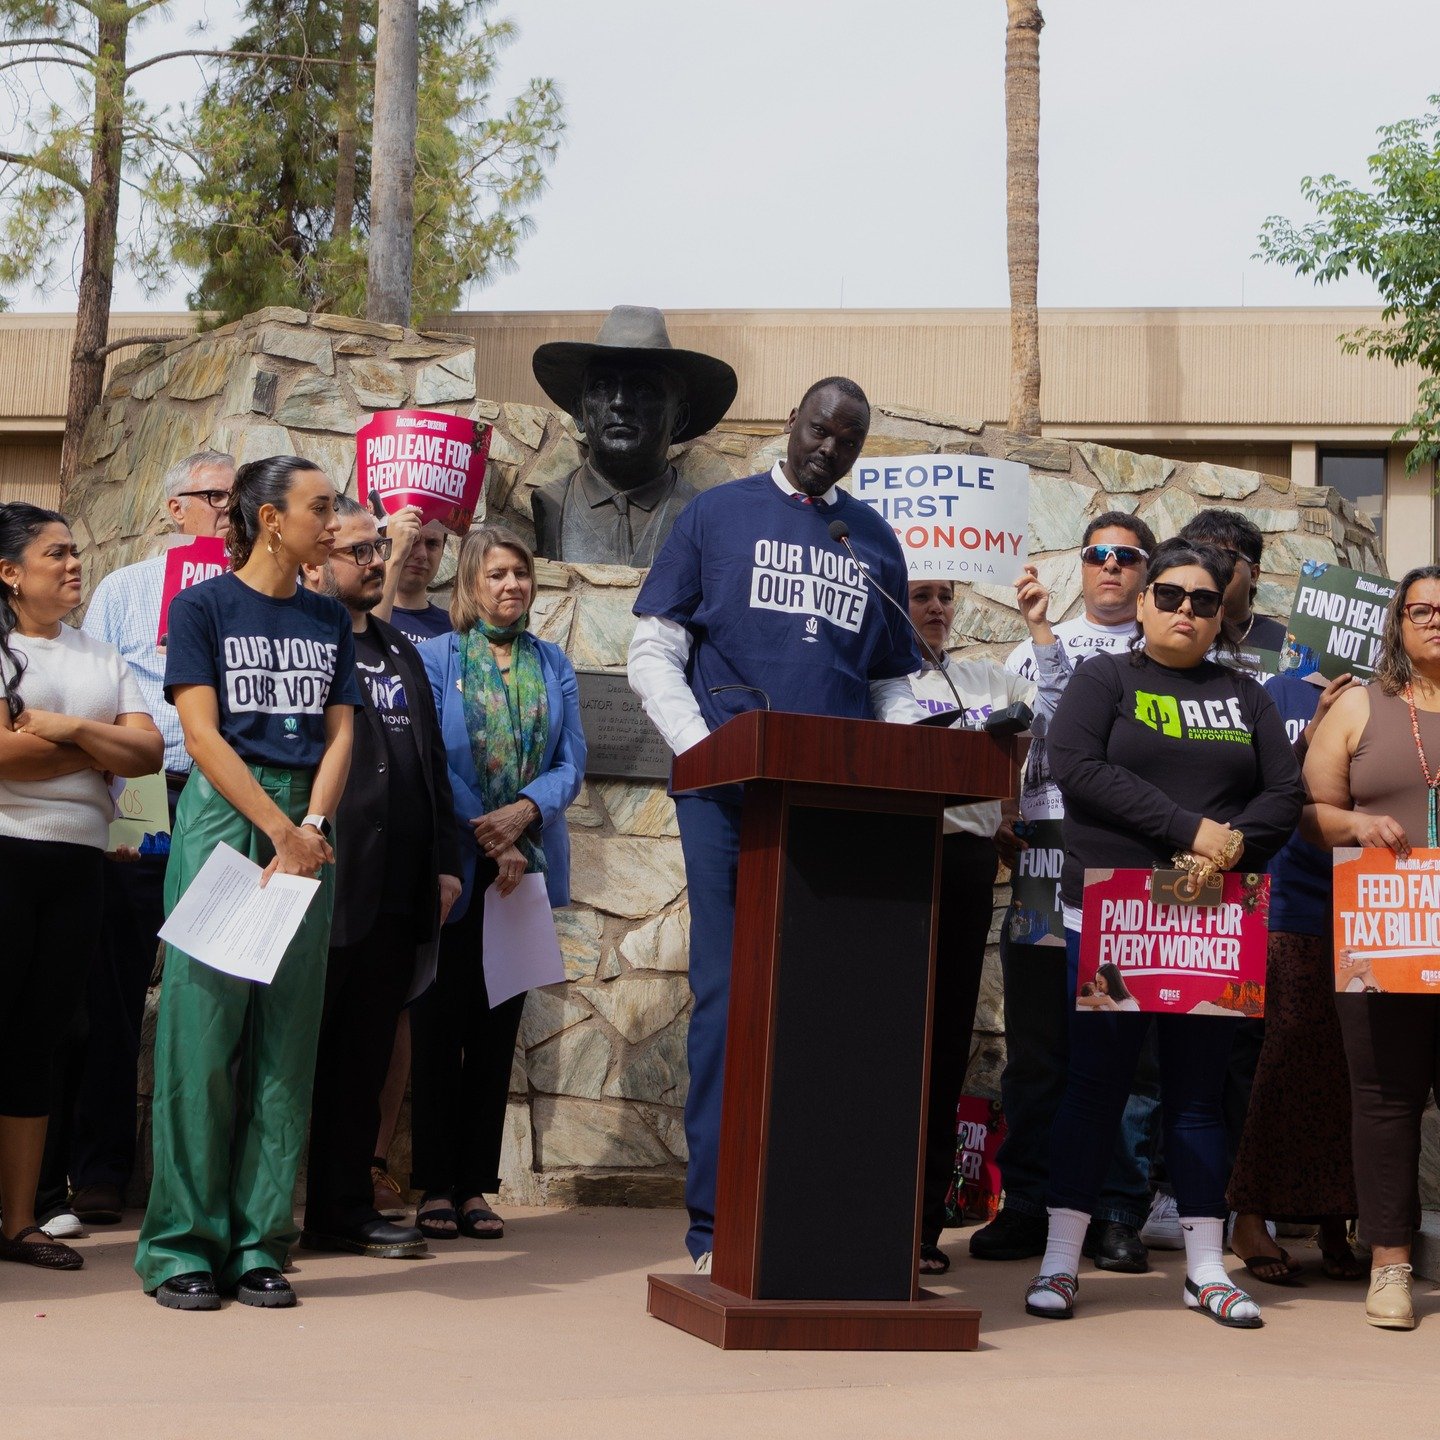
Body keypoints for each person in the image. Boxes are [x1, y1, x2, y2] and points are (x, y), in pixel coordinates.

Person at [628, 376, 925, 1273]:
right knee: (730, 996)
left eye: (848, 441)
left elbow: (889, 682)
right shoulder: (716, 517)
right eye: (818, 429)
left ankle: (812, 1208)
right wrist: (702, 748)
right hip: (728, 803)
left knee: (826, 1004)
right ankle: (716, 1224)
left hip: (836, 803)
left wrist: (904, 754)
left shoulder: (870, 540)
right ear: (790, 422)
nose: (828, 448)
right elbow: (653, 648)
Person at [1023, 538, 1303, 1327]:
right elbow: (1077, 765)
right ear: (1143, 602)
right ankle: (1060, 1261)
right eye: (1171, 596)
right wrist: (1191, 829)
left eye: (1204, 601)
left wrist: (1230, 847)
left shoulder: (1245, 696)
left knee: (1197, 1096)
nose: (1186, 610)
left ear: (1222, 615)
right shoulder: (1104, 679)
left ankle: (1206, 1268)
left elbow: (1283, 795)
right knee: (1095, 1086)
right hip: (1115, 914)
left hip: (1212, 919)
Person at [133, 456, 359, 1311]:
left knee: (285, 1041)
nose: (332, 526)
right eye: (319, 509)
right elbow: (200, 733)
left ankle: (261, 1241)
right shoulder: (202, 608)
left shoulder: (327, 618)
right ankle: (181, 1246)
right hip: (231, 820)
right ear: (270, 518)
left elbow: (341, 734)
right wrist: (276, 829)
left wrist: (315, 829)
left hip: (308, 826)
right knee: (202, 1036)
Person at [45, 451, 235, 1235]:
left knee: (216, 987)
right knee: (112, 993)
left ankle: (211, 1181)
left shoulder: (247, 593)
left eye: (234, 496)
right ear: (172, 508)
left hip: (223, 798)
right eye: (210, 496)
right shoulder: (123, 592)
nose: (225, 509)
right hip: (142, 798)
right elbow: (95, 691)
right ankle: (98, 1171)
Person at [970, 511, 1162, 1273]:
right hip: (1047, 862)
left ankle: (1118, 1210)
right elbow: (1013, 742)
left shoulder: (1162, 654)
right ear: (1080, 565)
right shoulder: (1033, 643)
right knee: (1041, 1045)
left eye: (1125, 556)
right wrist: (1000, 818)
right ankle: (1028, 1203)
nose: (1110, 567)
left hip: (1129, 871)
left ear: (1147, 571)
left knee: (1129, 1051)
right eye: (1096, 554)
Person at [298, 496, 462, 1259]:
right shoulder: (309, 643)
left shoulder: (402, 653)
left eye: (376, 552)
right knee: (300, 1058)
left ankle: (341, 1209)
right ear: (316, 562)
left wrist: (445, 864)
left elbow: (431, 768)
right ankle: (265, 1212)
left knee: (364, 1060)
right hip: (327, 880)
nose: (374, 563)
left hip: (398, 892)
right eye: (360, 551)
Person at [0, 503, 163, 1271]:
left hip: (80, 866)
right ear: (9, 573)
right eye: (55, 553)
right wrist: (98, 752)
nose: (73, 564)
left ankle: (19, 1219)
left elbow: (148, 752)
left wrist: (61, 731)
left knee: (43, 1037)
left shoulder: (101, 655)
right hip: (5, 855)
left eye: (76, 550)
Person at [411, 524, 584, 1243]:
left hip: (524, 869)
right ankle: (433, 1187)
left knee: (494, 1034)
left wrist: (522, 816)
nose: (510, 585)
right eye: (496, 574)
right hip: (453, 864)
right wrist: (488, 827)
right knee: (437, 1028)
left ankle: (477, 1186)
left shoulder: (553, 663)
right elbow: (425, 751)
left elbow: (572, 761)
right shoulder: (437, 656)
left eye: (520, 574)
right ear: (470, 584)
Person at [1301, 565, 1440, 1330]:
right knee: (1385, 1101)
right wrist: (1356, 827)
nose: (1434, 621)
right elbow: (1311, 811)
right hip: (1385, 930)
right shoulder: (1359, 705)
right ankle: (1390, 1264)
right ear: (1397, 623)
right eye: (1419, 609)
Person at [907, 578, 1035, 1274]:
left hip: (962, 860)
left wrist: (1009, 814)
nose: (935, 608)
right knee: (886, 1044)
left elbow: (1037, 729)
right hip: (891, 858)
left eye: (945, 596)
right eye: (920, 594)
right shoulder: (878, 678)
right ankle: (867, 1211)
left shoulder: (989, 678)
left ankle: (923, 1227)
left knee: (944, 1043)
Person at [1226, 670, 1363, 1286]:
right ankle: (1249, 1216)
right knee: (1283, 1057)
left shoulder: (1398, 699)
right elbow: (1254, 789)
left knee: (1353, 1067)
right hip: (1294, 901)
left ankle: (1339, 1218)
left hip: (1372, 903)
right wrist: (1312, 731)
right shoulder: (1274, 692)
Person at [367, 501, 453, 1213]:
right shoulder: (370, 620)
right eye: (404, 543)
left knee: (403, 1011)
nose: (417, 554)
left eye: (429, 542)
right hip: (363, 836)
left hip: (426, 835)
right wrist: (386, 562)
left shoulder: (452, 629)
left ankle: (375, 1158)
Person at [531, 305, 738, 565]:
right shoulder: (550, 502)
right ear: (579, 413)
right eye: (602, 386)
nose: (619, 402)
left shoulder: (701, 513)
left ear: (679, 419)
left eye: (642, 387)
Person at [1178, 509, 1288, 651]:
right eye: (1199, 554)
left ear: (1253, 575)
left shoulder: (1283, 646)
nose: (1208, 567)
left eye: (1224, 557)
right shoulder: (1168, 634)